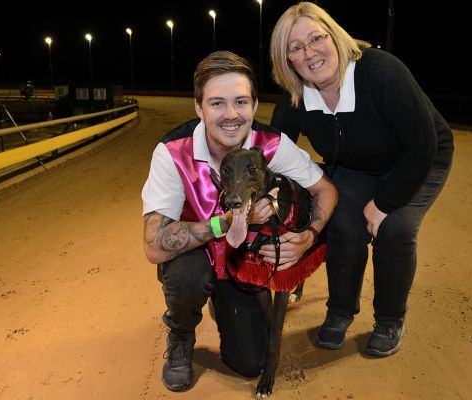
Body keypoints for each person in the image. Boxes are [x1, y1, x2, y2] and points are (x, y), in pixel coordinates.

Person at [141, 50, 337, 392]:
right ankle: (182, 334)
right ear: (199, 108)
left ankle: (224, 303)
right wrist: (225, 222)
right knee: (185, 274)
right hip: (198, 255)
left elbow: (325, 190)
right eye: (217, 103)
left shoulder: (272, 144)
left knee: (250, 364)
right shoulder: (173, 151)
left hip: (242, 264)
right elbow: (154, 245)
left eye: (241, 102)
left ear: (254, 104)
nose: (231, 115)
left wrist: (309, 235)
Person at [269, 2, 454, 357]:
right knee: (343, 222)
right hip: (357, 164)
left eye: (316, 38)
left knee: (395, 228)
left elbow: (422, 144)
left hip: (418, 156)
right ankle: (340, 312)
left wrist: (384, 204)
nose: (309, 52)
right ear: (287, 60)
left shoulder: (381, 73)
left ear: (334, 36)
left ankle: (389, 319)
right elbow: (273, 150)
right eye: (295, 47)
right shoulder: (297, 97)